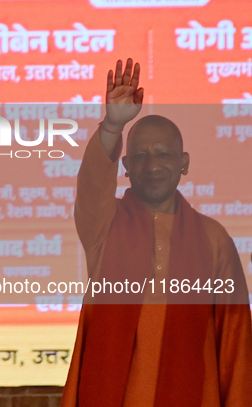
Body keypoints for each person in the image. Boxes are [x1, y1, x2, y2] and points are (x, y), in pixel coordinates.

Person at [61, 59, 252, 407]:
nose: (152, 166)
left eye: (164, 155)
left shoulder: (214, 238)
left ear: (184, 163)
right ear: (126, 166)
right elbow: (91, 187)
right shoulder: (106, 224)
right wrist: (112, 127)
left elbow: (235, 341)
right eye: (141, 156)